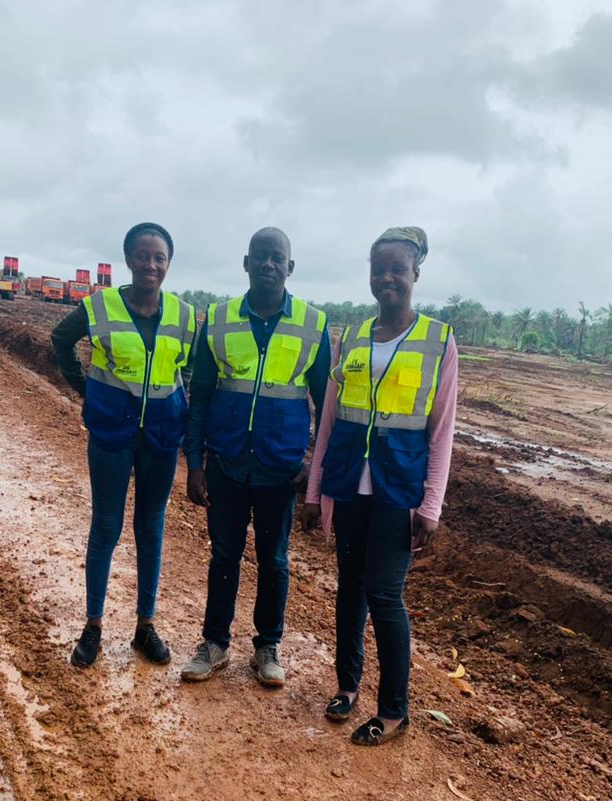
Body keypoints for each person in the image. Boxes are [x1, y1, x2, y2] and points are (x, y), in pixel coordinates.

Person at [302, 226, 458, 746]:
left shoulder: (438, 339)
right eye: (378, 268)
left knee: (385, 596)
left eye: (398, 269)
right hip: (350, 484)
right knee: (349, 588)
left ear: (416, 274)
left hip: (399, 489)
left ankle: (393, 710)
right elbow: (328, 419)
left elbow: (442, 429)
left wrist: (431, 505)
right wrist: (314, 491)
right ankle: (347, 685)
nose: (387, 278)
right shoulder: (352, 337)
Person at [182, 227, 331, 686]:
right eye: (260, 257)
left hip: (280, 469)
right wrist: (194, 463)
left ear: (290, 268)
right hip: (227, 462)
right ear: (245, 263)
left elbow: (327, 406)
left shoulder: (313, 324)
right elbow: (201, 393)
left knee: (275, 559)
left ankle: (268, 646)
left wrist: (314, 469)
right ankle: (215, 643)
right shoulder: (221, 319)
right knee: (224, 555)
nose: (268, 264)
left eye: (277, 258)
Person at [51, 223, 196, 668]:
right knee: (107, 528)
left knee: (150, 529)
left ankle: (144, 627)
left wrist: (180, 407)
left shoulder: (185, 315)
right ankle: (93, 627)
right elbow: (60, 339)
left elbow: (185, 369)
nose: (151, 265)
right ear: (128, 259)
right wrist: (87, 391)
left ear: (168, 263)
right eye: (143, 256)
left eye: (160, 258)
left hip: (161, 437)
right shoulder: (100, 306)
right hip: (112, 433)